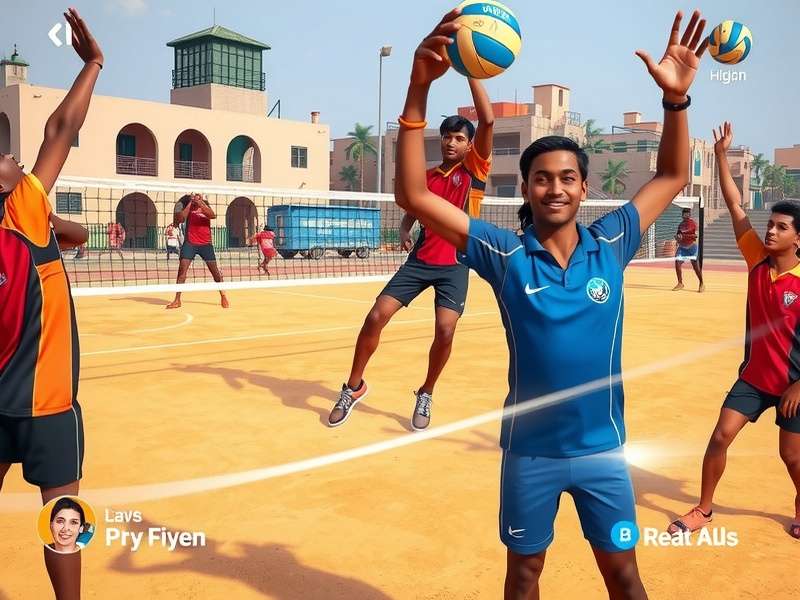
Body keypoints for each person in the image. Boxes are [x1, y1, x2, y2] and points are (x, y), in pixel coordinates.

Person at [394, 8, 707, 598]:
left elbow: (670, 173)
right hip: (528, 454)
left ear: (584, 188)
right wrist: (418, 87)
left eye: (567, 177)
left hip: (603, 455)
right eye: (542, 178)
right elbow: (412, 193)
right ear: (527, 188)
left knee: (624, 576)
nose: (555, 187)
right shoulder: (504, 254)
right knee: (524, 577)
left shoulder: (613, 241)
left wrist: (675, 101)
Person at [0, 8, 101, 600]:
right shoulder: (24, 210)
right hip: (45, 403)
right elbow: (60, 129)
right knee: (63, 517)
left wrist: (65, 230)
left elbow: (76, 235)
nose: (13, 158)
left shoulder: (32, 220)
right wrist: (92, 62)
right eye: (7, 161)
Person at [328, 79, 495, 431]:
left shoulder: (474, 171)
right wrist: (406, 226)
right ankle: (353, 387)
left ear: (469, 146)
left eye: (460, 138)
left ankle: (426, 392)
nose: (452, 142)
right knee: (375, 317)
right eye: (447, 136)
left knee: (445, 332)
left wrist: (470, 69)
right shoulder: (428, 176)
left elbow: (489, 120)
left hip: (455, 265)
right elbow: (415, 204)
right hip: (419, 262)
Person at [668, 122, 800, 540]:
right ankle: (703, 510)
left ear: (799, 237)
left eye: (781, 227)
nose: (771, 230)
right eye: (772, 224)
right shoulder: (756, 259)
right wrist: (722, 155)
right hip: (754, 378)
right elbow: (735, 203)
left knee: (792, 458)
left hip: (793, 385)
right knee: (720, 436)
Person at [166, 193, 229, 309]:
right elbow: (181, 219)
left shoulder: (205, 207)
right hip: (190, 243)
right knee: (182, 271)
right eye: (194, 197)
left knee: (215, 273)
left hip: (206, 244)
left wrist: (200, 203)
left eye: (198, 197)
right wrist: (190, 203)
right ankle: (177, 300)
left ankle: (223, 295)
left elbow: (212, 215)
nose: (196, 198)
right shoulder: (188, 208)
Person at [673, 206, 704, 291]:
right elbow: (679, 235)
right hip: (682, 247)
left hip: (692, 247)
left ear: (689, 215)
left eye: (687, 214)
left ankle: (701, 283)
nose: (686, 216)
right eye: (684, 214)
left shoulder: (692, 223)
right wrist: (677, 238)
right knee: (677, 262)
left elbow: (691, 232)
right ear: (682, 215)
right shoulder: (680, 225)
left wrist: (683, 234)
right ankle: (680, 283)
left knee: (696, 267)